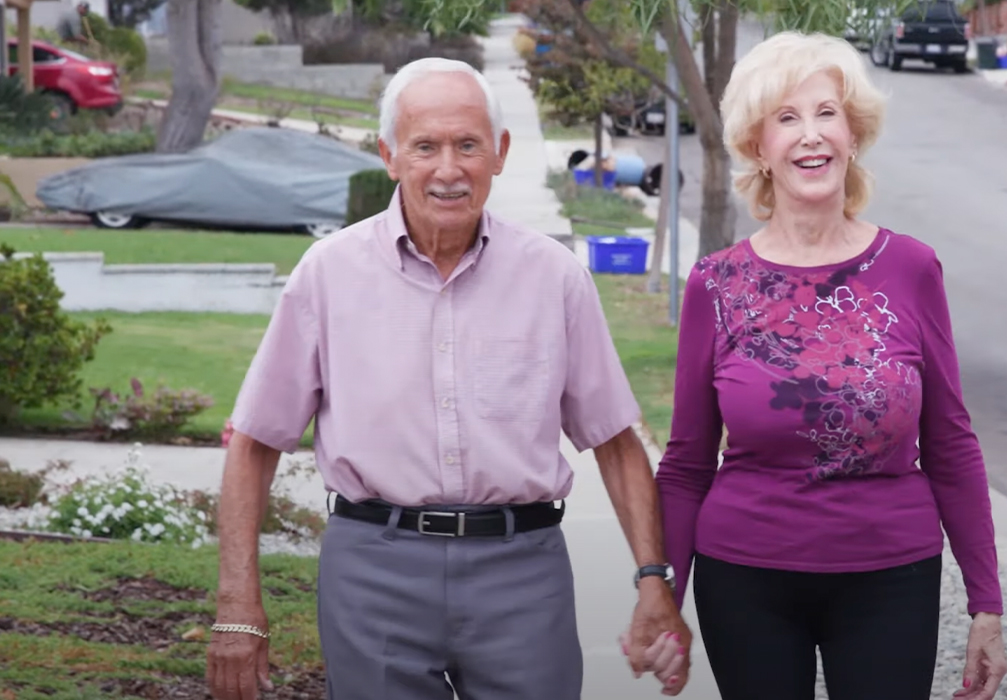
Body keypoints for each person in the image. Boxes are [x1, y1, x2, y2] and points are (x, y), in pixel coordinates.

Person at [205, 57, 690, 700]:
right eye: (425, 146)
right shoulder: (328, 273)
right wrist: (239, 604)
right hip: (372, 571)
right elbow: (255, 440)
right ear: (390, 155)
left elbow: (616, 440)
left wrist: (653, 580)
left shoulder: (556, 277)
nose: (448, 169)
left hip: (522, 574)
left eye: (468, 145)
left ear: (500, 153)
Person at [654, 32, 1007, 700]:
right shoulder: (717, 283)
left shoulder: (911, 268)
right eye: (786, 118)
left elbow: (951, 444)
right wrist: (665, 600)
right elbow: (686, 463)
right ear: (758, 147)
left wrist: (985, 604)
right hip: (746, 576)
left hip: (890, 575)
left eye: (826, 113)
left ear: (854, 134)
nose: (810, 135)